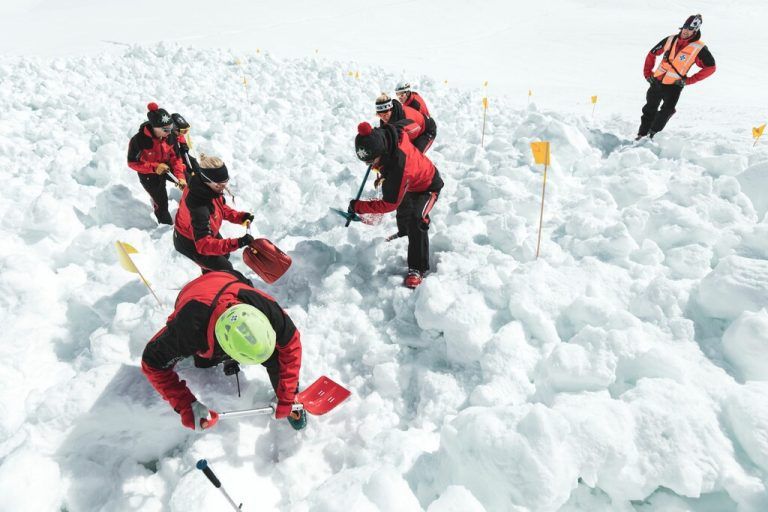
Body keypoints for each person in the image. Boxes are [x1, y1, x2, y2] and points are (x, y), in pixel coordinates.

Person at [141, 269, 305, 431]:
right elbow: (152, 363)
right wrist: (187, 406)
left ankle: (288, 397)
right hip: (192, 294)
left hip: (229, 278)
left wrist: (287, 395)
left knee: (276, 358)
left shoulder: (264, 307)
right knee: (204, 361)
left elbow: (291, 344)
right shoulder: (189, 330)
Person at [349, 121, 444, 288]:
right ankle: (403, 233)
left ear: (382, 152)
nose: (368, 165)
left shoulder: (399, 168)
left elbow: (388, 205)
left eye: (371, 161)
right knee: (404, 206)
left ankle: (417, 268)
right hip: (412, 181)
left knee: (417, 219)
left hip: (428, 186)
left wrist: (359, 206)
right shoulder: (390, 134)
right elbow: (408, 124)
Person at [636, 14, 716, 140]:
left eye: (690, 29)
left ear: (695, 31)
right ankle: (641, 134)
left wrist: (690, 80)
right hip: (656, 81)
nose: (685, 31)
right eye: (685, 27)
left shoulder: (699, 47)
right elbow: (652, 54)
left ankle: (652, 134)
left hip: (674, 85)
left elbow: (711, 68)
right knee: (649, 109)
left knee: (667, 110)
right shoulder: (670, 39)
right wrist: (647, 73)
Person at [173, 154, 254, 272]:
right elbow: (204, 245)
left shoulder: (207, 188)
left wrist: (240, 217)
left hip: (206, 232)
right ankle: (210, 285)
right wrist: (239, 242)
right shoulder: (199, 207)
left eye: (225, 182)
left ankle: (208, 275)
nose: (223, 187)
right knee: (225, 270)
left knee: (224, 256)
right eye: (219, 184)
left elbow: (219, 208)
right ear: (207, 180)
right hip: (191, 242)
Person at [127, 102, 188, 225]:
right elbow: (132, 163)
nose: (169, 132)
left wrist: (180, 177)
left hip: (167, 167)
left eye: (171, 128)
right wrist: (154, 168)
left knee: (190, 179)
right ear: (154, 127)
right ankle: (165, 225)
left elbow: (176, 158)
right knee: (161, 201)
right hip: (149, 174)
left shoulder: (169, 136)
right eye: (166, 129)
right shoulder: (138, 140)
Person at [395, 82, 437, 151]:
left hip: (427, 131)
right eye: (397, 95)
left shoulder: (415, 106)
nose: (399, 98)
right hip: (420, 127)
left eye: (401, 95)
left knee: (416, 153)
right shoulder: (409, 99)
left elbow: (416, 126)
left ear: (408, 93)